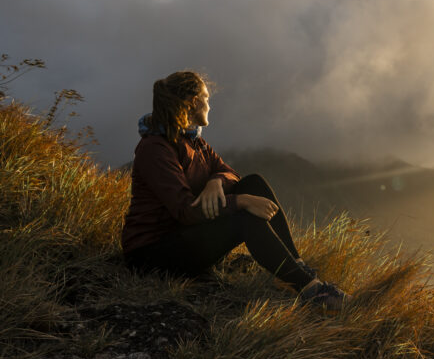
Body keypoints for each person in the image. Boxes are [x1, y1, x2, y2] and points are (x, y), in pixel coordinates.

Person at [120, 70, 348, 311]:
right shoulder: (155, 148)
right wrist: (239, 201)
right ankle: (312, 290)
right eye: (207, 98)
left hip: (183, 235)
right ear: (194, 102)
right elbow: (184, 211)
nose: (209, 105)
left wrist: (215, 182)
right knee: (244, 219)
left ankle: (296, 266)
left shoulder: (194, 140)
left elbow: (230, 173)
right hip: (152, 254)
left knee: (254, 183)